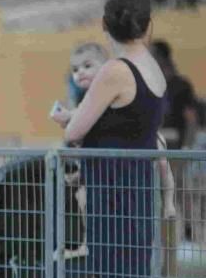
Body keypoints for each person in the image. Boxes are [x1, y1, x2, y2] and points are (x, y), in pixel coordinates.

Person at [61, 0, 168, 278]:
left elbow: (76, 130)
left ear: (105, 27)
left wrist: (67, 118)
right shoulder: (151, 68)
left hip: (115, 193)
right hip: (132, 189)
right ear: (148, 25)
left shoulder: (113, 71)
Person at [53, 43, 176, 221]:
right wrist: (68, 118)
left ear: (104, 69)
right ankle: (82, 180)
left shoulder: (113, 85)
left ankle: (169, 202)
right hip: (108, 160)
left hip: (138, 138)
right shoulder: (84, 98)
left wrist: (69, 117)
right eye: (75, 69)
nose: (80, 72)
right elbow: (81, 120)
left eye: (87, 66)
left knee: (163, 161)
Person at [151, 39, 200, 243]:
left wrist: (187, 147)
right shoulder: (153, 85)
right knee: (159, 196)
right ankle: (162, 239)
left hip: (176, 149)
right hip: (155, 147)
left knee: (180, 192)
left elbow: (191, 119)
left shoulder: (181, 85)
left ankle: (188, 233)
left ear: (161, 58)